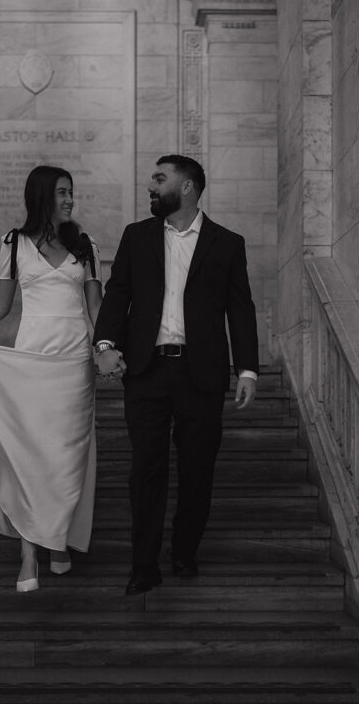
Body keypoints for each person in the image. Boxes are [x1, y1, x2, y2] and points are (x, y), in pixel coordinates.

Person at [0, 165, 110, 592]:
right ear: (42, 196)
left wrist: (106, 347)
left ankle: (59, 536)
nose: (70, 200)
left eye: (71, 192)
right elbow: (1, 305)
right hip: (30, 360)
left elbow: (96, 309)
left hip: (73, 364)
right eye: (62, 192)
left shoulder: (85, 246)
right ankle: (30, 550)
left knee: (68, 456)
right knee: (29, 455)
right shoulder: (13, 244)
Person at [93, 154, 259, 596]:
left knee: (197, 469)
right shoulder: (137, 236)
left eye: (160, 178)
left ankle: (185, 550)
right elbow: (118, 293)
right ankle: (143, 565)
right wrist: (105, 346)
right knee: (146, 469)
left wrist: (247, 369)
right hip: (146, 371)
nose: (151, 185)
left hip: (200, 374)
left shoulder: (228, 243)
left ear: (186, 187)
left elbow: (241, 309)